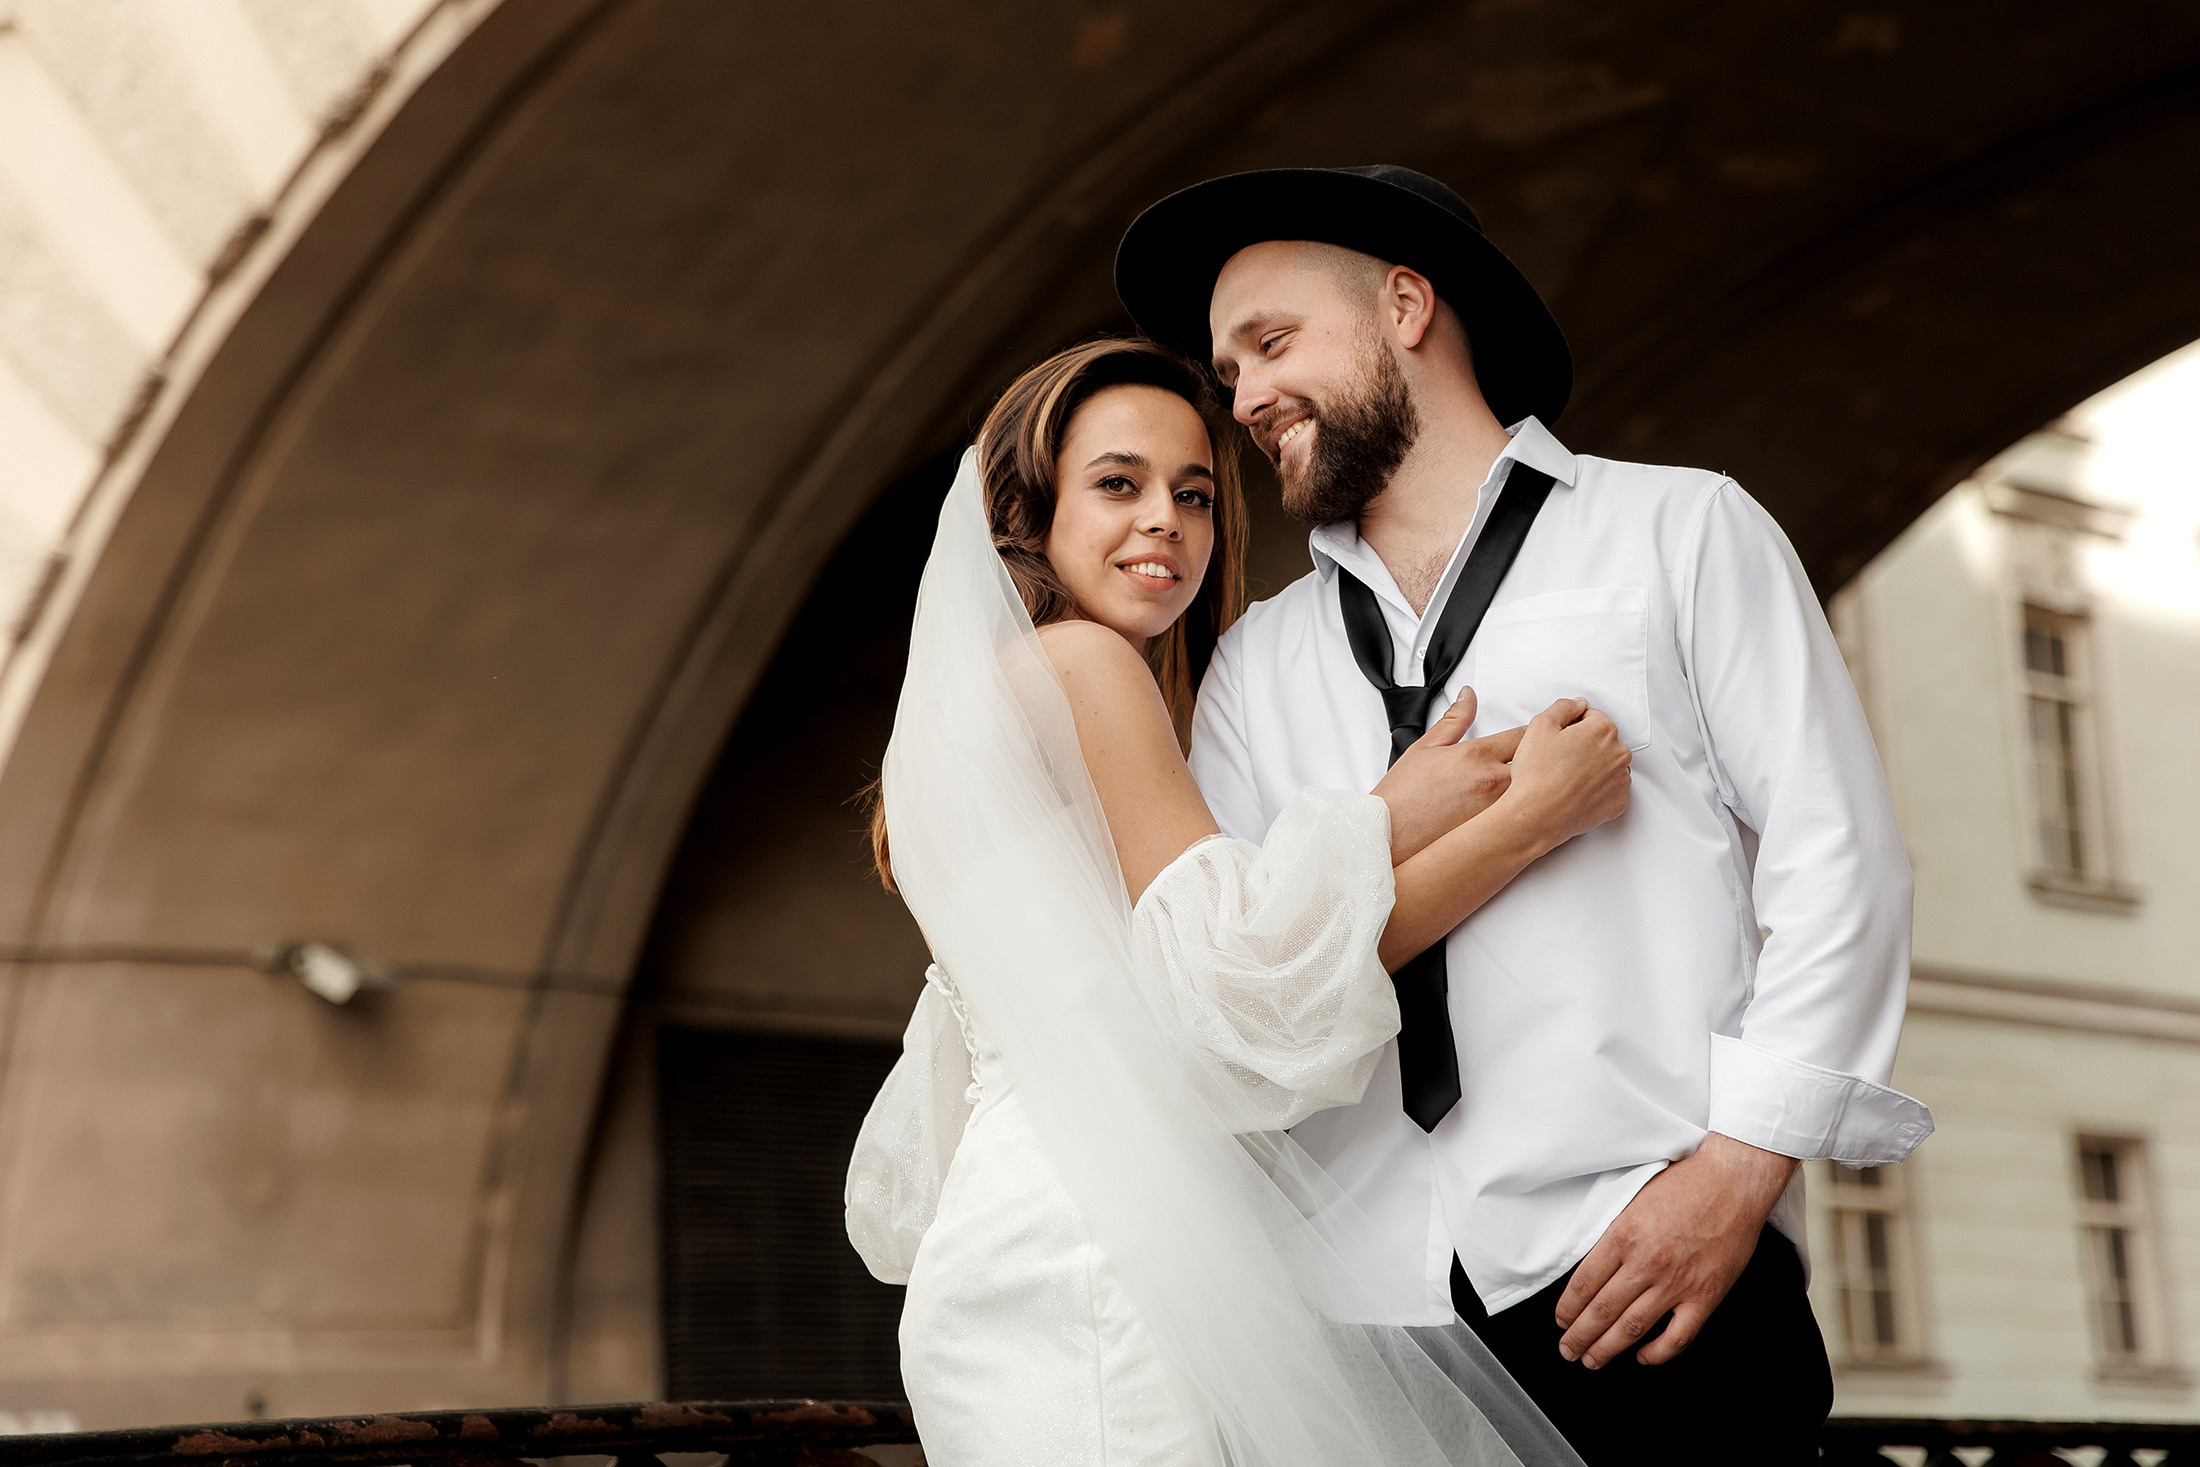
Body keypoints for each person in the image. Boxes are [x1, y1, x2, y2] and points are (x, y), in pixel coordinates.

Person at [1112, 164, 1936, 1466]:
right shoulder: (1258, 663)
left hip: (1660, 1284)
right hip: (1362, 1320)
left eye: (1271, 342)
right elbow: (1251, 983)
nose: (1247, 397)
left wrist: (1740, 1172)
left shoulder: (1681, 532)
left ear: (1404, 302)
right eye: (1228, 375)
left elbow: (1845, 870)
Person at [845, 336, 1632, 1466]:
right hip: (1099, 1244)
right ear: (1029, 510)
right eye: (1118, 484)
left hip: (1033, 1228)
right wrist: (1494, 820)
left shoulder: (973, 709)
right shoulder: (1082, 667)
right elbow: (1240, 997)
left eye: (1196, 493)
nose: (1165, 520)